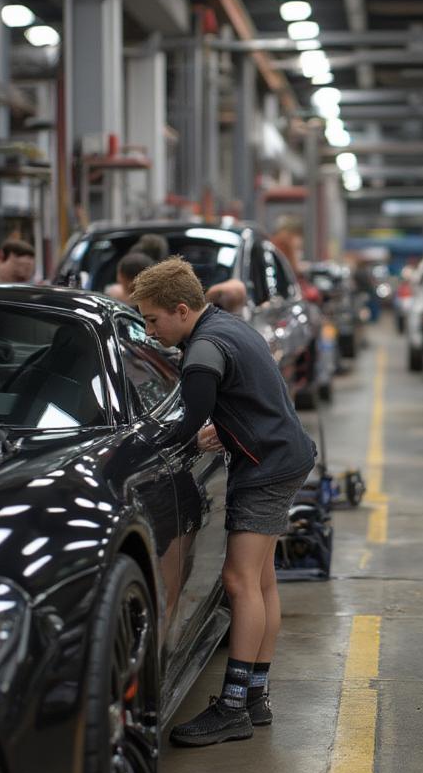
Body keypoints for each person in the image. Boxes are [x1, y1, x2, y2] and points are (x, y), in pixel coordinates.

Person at [131, 257, 316, 747]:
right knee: (260, 581)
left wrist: (157, 446)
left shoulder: (204, 348)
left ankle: (233, 707)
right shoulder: (227, 325)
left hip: (267, 467)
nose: (150, 332)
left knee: (239, 582)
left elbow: (190, 416)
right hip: (284, 454)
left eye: (153, 319)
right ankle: (254, 696)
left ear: (182, 308)